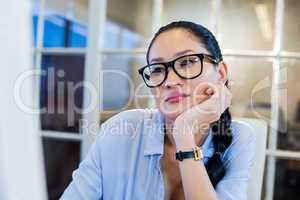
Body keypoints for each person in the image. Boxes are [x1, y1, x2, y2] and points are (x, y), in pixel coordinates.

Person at [60, 21, 256, 200]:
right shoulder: (121, 130)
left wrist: (184, 133)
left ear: (220, 73)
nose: (170, 81)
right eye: (157, 69)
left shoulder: (238, 139)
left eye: (187, 62)